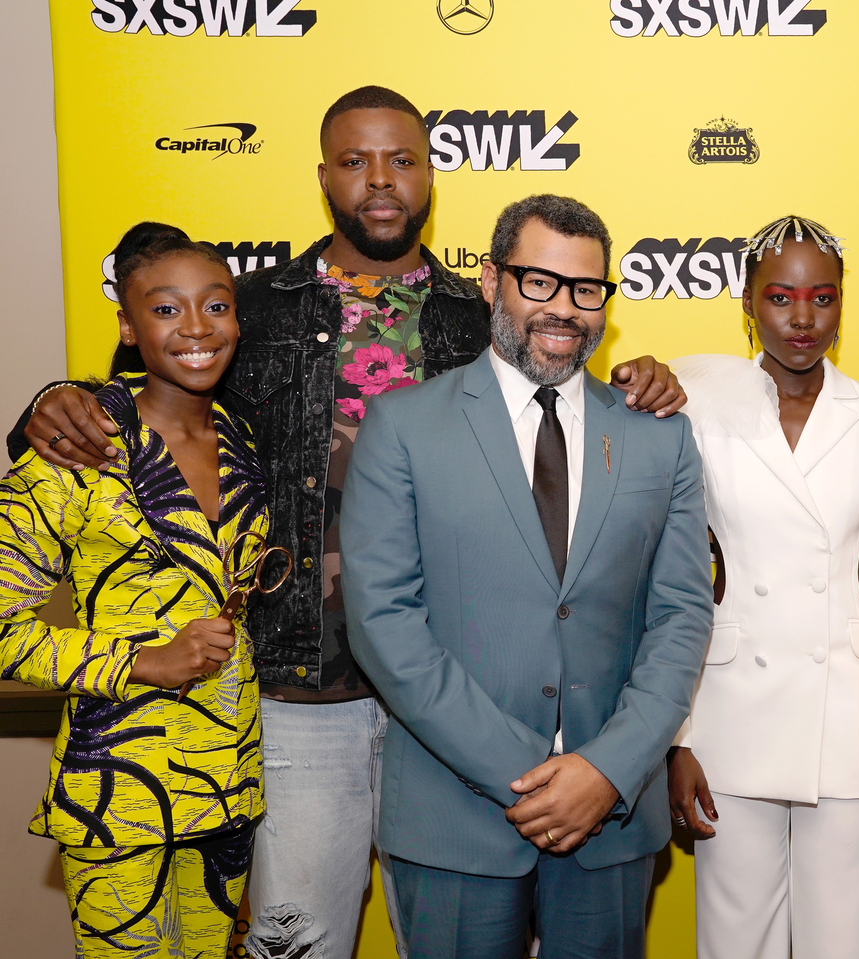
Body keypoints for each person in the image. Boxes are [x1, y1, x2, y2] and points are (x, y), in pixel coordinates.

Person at [11, 88, 685, 959]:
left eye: (402, 160)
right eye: (356, 161)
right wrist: (47, 399)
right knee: (303, 943)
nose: (380, 181)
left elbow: (565, 382)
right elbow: (139, 393)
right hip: (300, 692)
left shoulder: (482, 311)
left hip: (462, 696)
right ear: (323, 175)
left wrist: (640, 377)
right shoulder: (249, 308)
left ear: (431, 176)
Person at [340, 194, 713, 959]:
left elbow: (680, 617)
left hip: (609, 818)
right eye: (537, 281)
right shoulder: (402, 427)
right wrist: (532, 773)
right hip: (453, 816)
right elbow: (383, 622)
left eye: (585, 289)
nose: (563, 309)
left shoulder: (660, 439)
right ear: (489, 280)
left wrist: (604, 771)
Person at [0, 223, 268, 957]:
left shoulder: (246, 437)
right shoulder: (76, 448)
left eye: (216, 306)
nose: (195, 328)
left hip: (229, 784)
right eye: (166, 308)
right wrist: (141, 660)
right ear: (126, 322)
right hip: (118, 786)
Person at [664, 216, 859, 959]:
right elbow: (677, 586)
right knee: (733, 942)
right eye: (780, 296)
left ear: (844, 302)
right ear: (746, 303)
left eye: (823, 297)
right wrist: (675, 739)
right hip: (727, 715)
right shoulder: (696, 405)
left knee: (847, 942)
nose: (803, 318)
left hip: (851, 713)